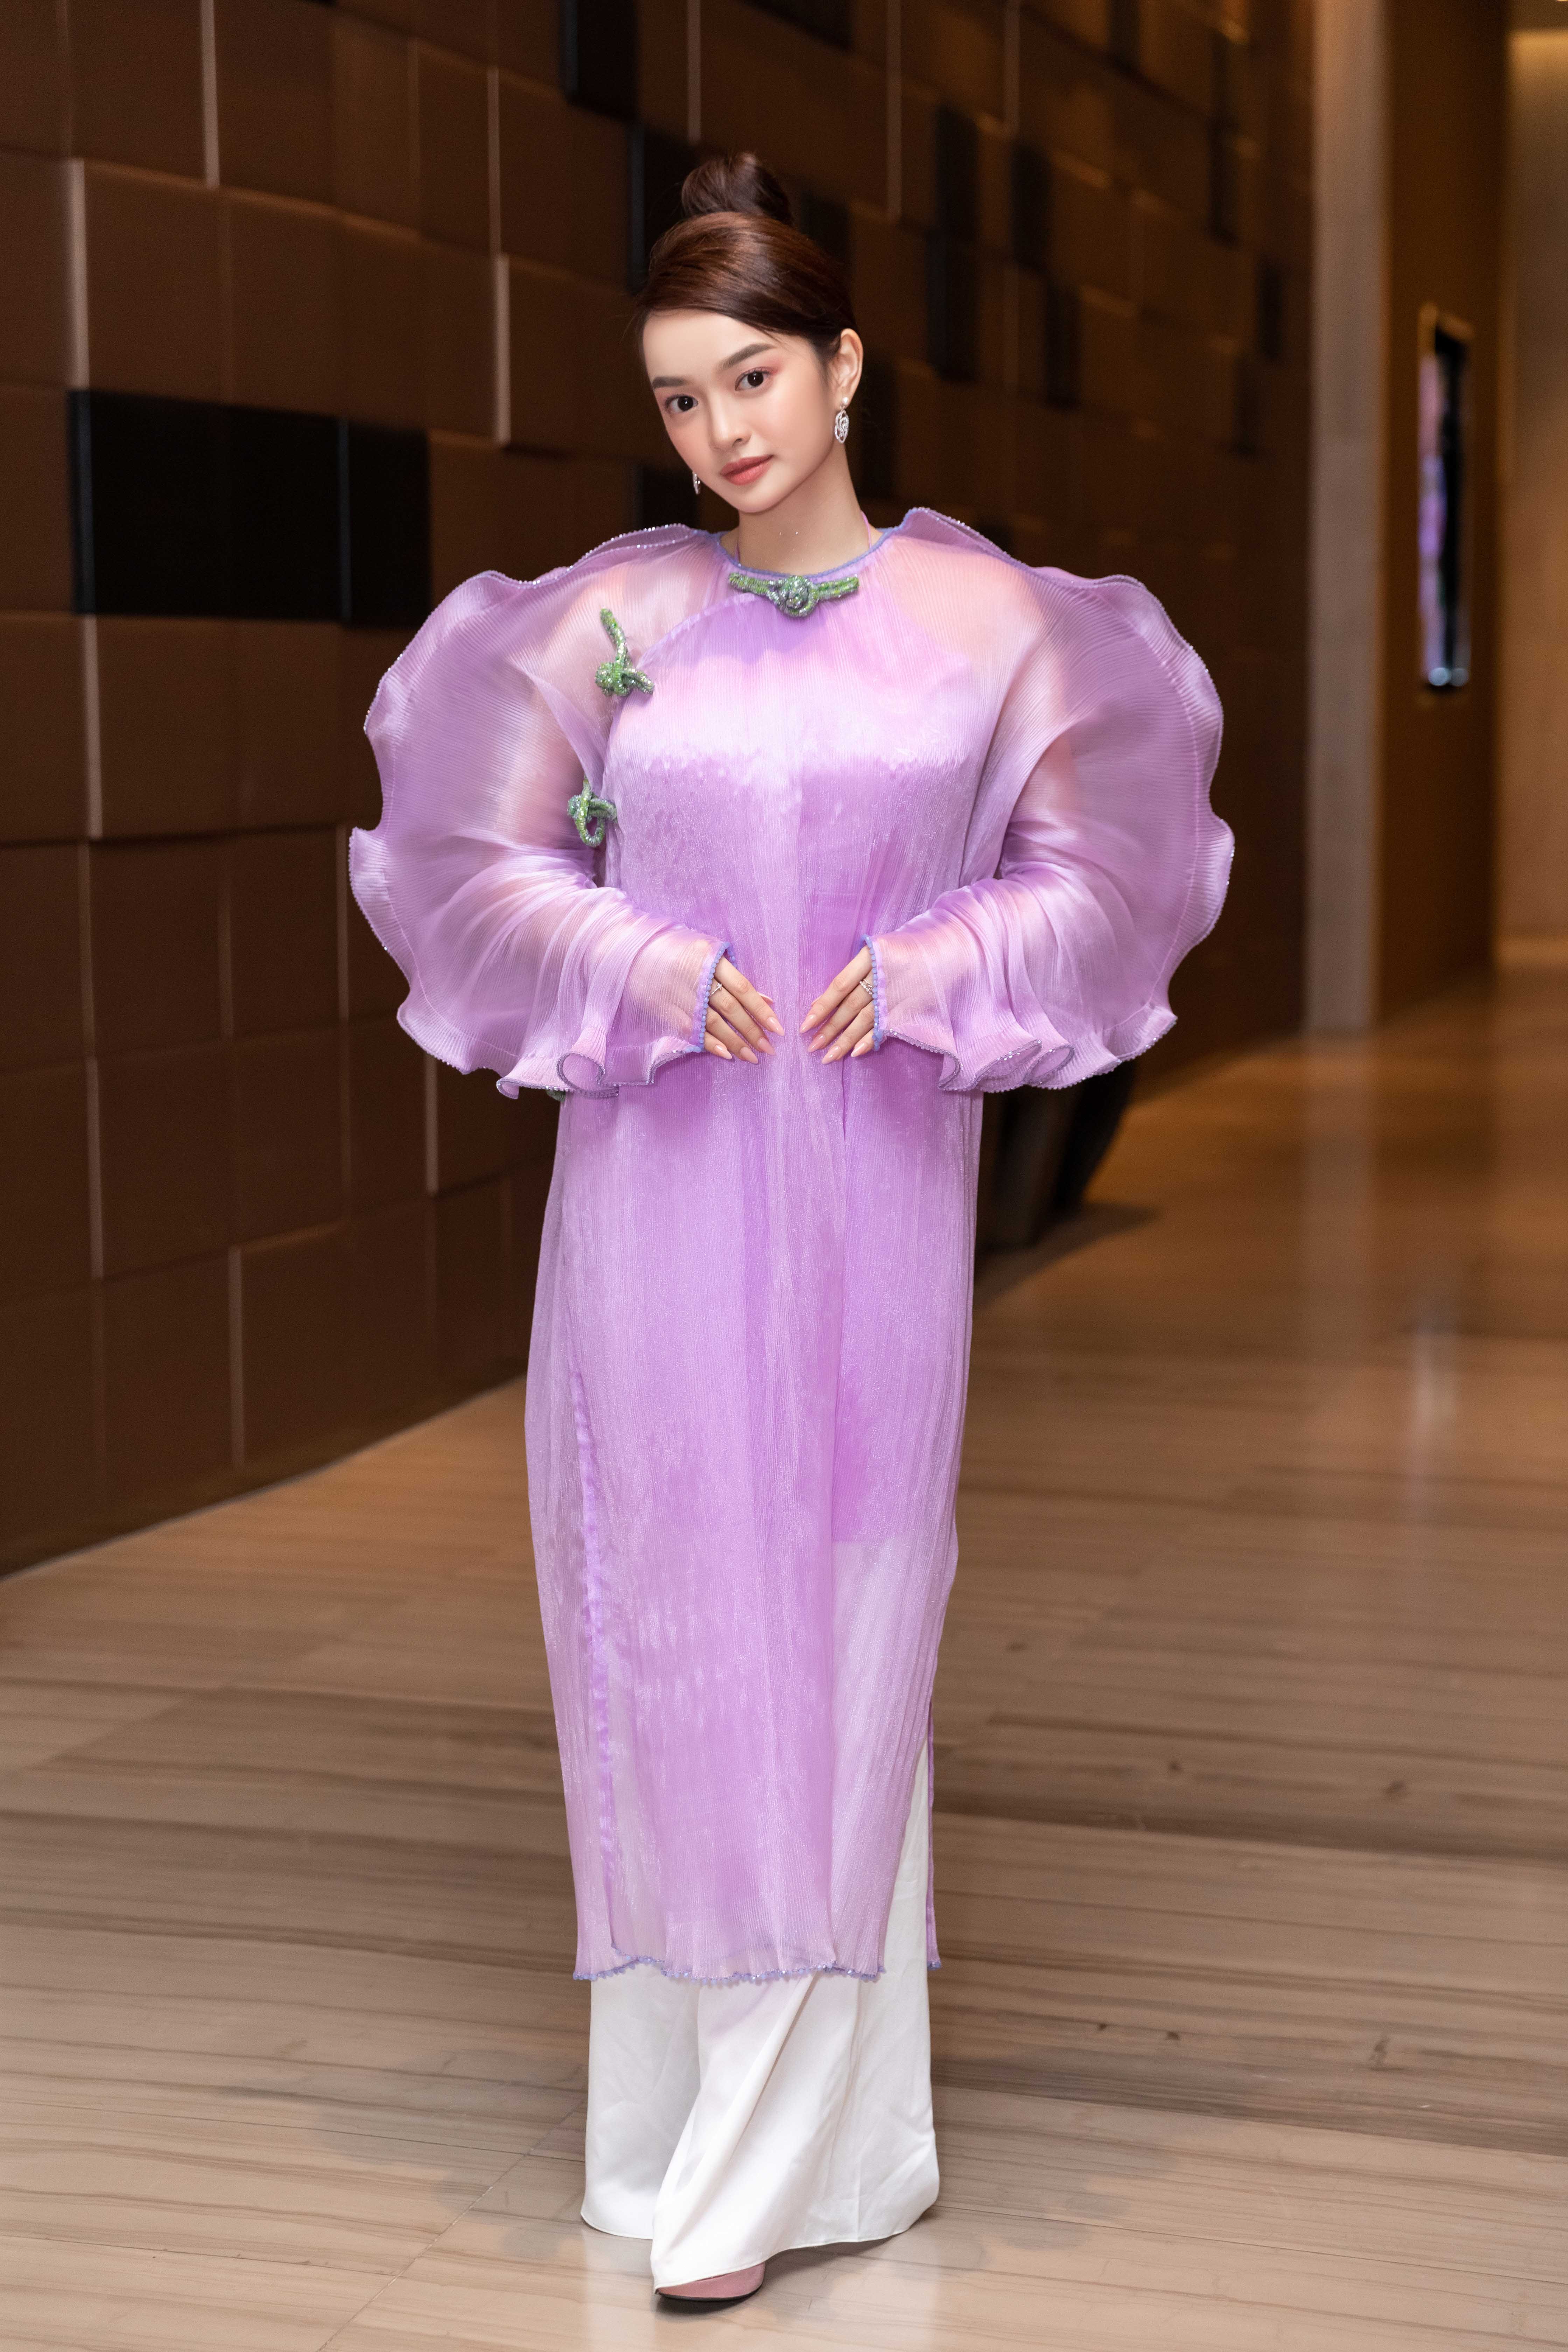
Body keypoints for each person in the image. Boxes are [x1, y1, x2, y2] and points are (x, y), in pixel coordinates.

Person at [349, 152, 1230, 2306]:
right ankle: (710, 2137)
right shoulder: (618, 627)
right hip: (654, 1202)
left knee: (850, 1617)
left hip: (874, 1195)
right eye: (680, 398)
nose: (723, 429)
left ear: (844, 365)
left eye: (753, 376)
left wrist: (934, 961)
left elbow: (1112, 870)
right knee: (666, 1624)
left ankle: (782, 2161)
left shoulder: (982, 623)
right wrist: (640, 959)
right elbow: (464, 864)